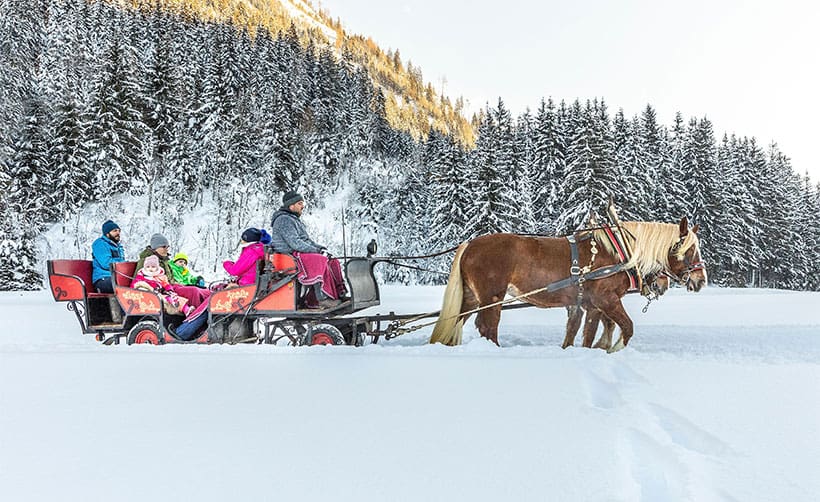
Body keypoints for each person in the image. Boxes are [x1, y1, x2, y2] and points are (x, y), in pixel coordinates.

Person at [270, 191, 347, 308]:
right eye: (300, 203)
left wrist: (319, 248)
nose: (303, 206)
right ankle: (321, 299)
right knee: (318, 260)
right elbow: (295, 243)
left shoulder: (294, 219)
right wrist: (316, 251)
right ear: (291, 206)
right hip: (287, 255)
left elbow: (306, 240)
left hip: (296, 253)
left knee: (332, 261)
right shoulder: (284, 220)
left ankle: (337, 294)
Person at [135, 233, 210, 308]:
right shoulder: (147, 261)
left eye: (168, 247)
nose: (166, 249)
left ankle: (208, 309)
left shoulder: (164, 260)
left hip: (171, 286)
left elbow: (171, 278)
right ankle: (196, 315)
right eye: (164, 246)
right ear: (155, 248)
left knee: (203, 290)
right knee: (194, 291)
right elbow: (140, 279)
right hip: (163, 290)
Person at [91, 220, 125, 293]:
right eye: (115, 231)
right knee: (122, 285)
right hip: (103, 278)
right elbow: (106, 264)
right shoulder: (100, 244)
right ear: (107, 233)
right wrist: (123, 264)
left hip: (116, 277)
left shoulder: (118, 246)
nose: (118, 233)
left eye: (119, 231)